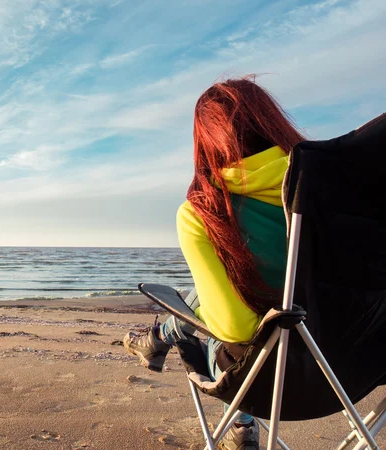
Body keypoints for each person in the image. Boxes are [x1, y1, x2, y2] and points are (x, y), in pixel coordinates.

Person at [123, 76, 304, 450]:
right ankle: (157, 341)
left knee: (222, 308)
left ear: (207, 142)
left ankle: (163, 339)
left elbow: (235, 329)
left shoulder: (203, 213)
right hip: (359, 365)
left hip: (276, 379)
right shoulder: (340, 186)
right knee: (233, 287)